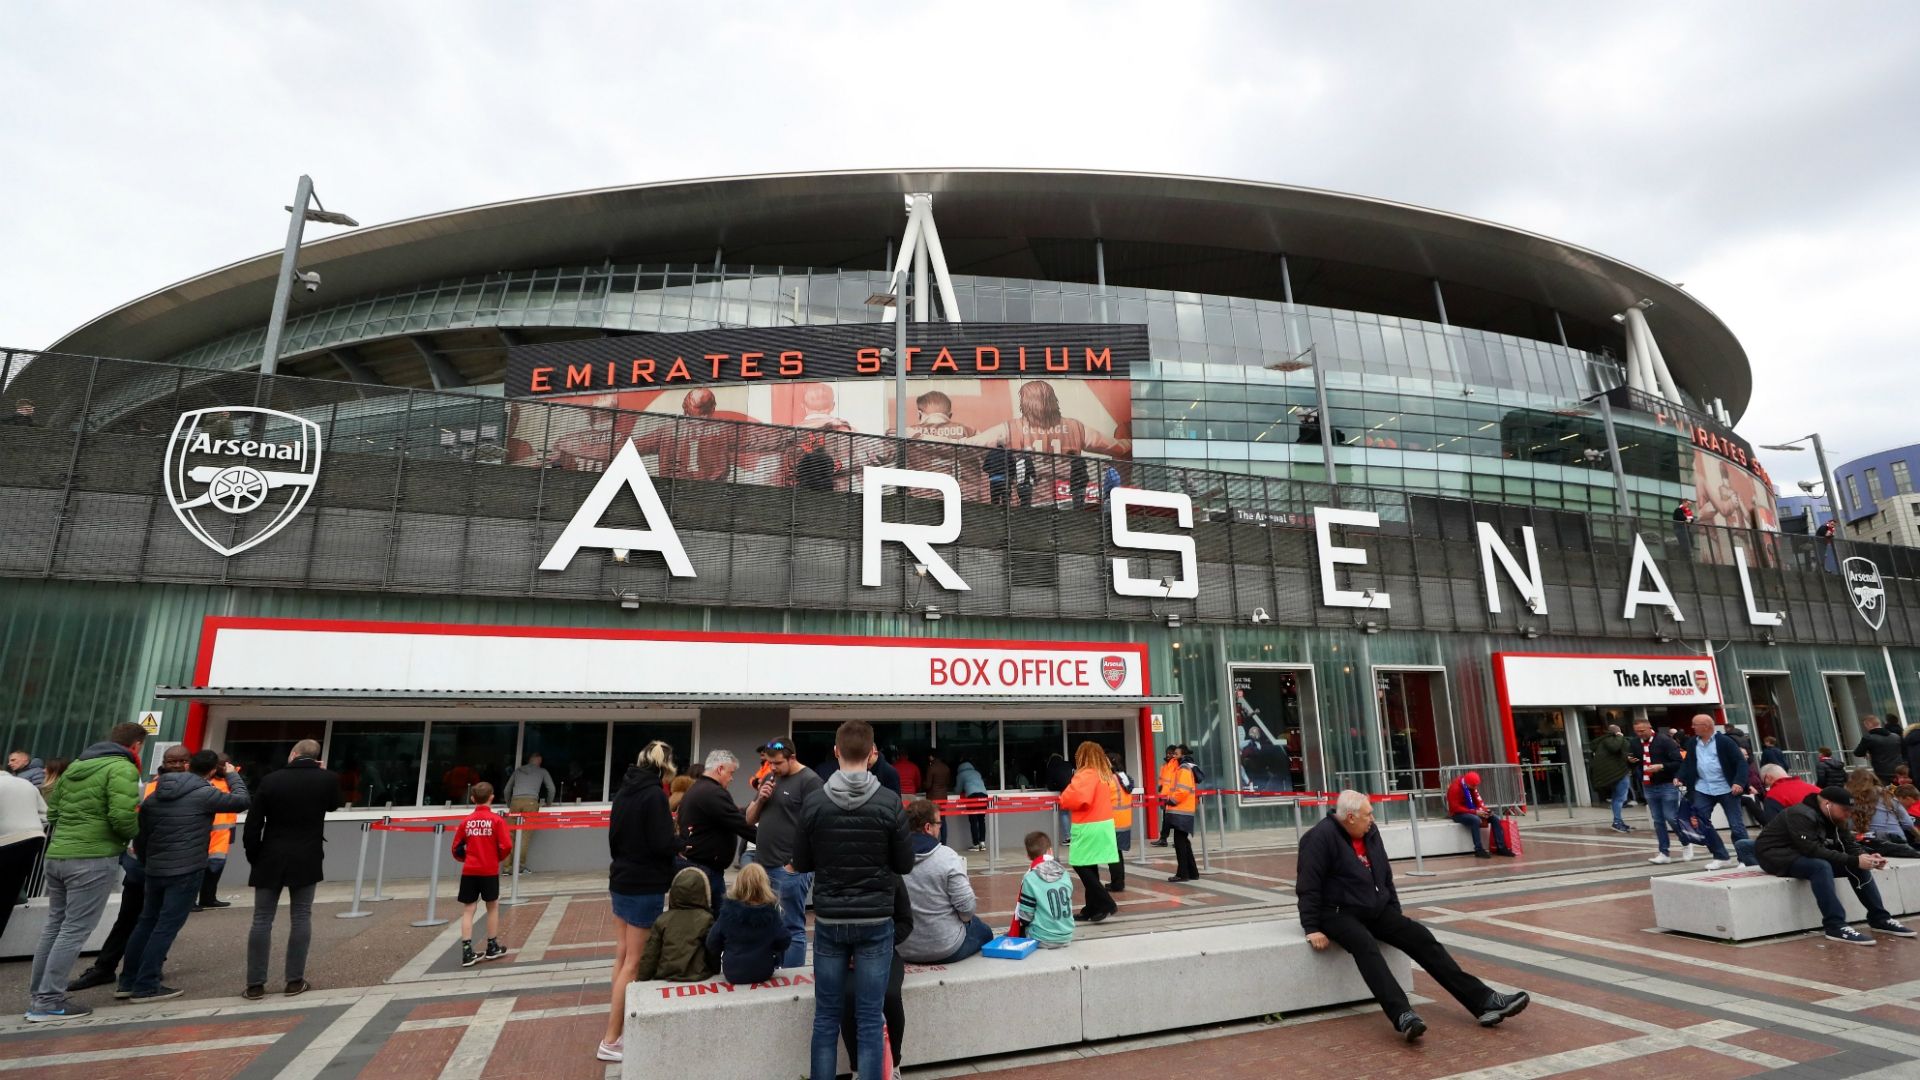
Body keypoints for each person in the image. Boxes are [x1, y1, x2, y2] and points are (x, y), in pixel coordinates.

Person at [1300, 791, 1530, 1042]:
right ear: (1351, 817)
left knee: (1420, 936)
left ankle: (1484, 1001)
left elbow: (1384, 874)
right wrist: (1312, 927)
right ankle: (1403, 1015)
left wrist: (1394, 914)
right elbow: (1308, 886)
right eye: (1368, 815)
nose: (1372, 819)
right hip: (1336, 913)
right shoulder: (1319, 838)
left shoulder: (1370, 833)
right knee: (1364, 944)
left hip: (1374, 908)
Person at [791, 719, 914, 1080]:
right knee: (870, 1018)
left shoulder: (814, 803)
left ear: (836, 752)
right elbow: (904, 864)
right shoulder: (890, 802)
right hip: (876, 920)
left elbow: (800, 862)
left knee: (826, 1018)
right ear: (872, 754)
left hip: (830, 920)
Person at [27, 721, 146, 1022]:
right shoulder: (122, 768)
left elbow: (52, 811)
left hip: (58, 855)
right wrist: (131, 836)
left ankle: (40, 993)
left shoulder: (75, 768)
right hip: (93, 857)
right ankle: (49, 1000)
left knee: (55, 925)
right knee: (74, 929)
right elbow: (122, 816)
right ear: (136, 746)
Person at [119, 749, 250, 1001]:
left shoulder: (154, 794)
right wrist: (232, 775)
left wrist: (147, 862)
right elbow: (242, 801)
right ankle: (146, 985)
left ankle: (127, 980)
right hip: (186, 869)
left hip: (155, 868)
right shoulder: (204, 793)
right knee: (165, 927)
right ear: (213, 771)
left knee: (146, 922)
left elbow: (141, 836)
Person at [243, 739, 342, 1001]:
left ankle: (255, 983)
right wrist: (321, 775)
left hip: (270, 854)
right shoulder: (327, 779)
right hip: (307, 855)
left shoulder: (271, 780)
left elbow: (253, 823)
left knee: (262, 919)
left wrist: (254, 854)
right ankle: (294, 980)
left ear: (293, 754)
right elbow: (334, 804)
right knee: (301, 916)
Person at [1753, 786, 1913, 945]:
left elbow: (1848, 844)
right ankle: (1835, 925)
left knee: (1856, 865)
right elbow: (1811, 849)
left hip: (1803, 853)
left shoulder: (1836, 816)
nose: (1848, 814)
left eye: (1850, 810)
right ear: (1828, 804)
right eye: (1845, 810)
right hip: (1775, 855)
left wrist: (1865, 857)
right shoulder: (1799, 814)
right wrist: (1854, 860)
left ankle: (1880, 918)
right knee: (1820, 866)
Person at [599, 741, 677, 1063]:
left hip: (620, 879)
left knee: (622, 957)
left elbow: (613, 838)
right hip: (644, 885)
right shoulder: (655, 794)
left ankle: (614, 1028)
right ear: (664, 765)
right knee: (634, 963)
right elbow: (661, 844)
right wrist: (681, 839)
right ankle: (611, 1039)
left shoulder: (624, 792)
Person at [744, 739, 824, 969]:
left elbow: (818, 825)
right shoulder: (770, 778)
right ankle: (774, 970)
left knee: (792, 927)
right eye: (769, 763)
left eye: (777, 763)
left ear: (792, 758)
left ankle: (792, 980)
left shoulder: (810, 781)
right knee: (769, 924)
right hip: (764, 865)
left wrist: (795, 863)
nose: (773, 768)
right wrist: (760, 799)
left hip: (789, 868)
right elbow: (749, 819)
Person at [899, 799, 993, 965]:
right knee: (984, 930)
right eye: (938, 823)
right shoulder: (946, 856)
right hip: (946, 947)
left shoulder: (893, 858)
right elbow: (967, 908)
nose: (940, 827)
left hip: (904, 947)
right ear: (928, 827)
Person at [840, 876, 913, 1075]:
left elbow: (906, 922)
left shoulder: (891, 874)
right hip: (845, 956)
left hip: (884, 951)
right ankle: (857, 1070)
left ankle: (894, 1066)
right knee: (848, 996)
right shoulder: (835, 872)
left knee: (889, 995)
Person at [677, 749, 756, 905]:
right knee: (712, 920)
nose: (732, 778)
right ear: (720, 769)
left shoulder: (698, 789)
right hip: (706, 870)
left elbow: (729, 815)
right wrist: (773, 843)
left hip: (700, 866)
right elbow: (739, 824)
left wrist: (756, 804)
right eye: (731, 772)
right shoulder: (712, 792)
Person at [453, 781, 512, 967]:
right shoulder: (496, 821)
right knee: (492, 906)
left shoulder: (466, 822)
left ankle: (466, 950)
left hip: (470, 869)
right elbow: (506, 845)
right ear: (492, 797)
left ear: (472, 798)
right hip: (489, 869)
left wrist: (466, 859)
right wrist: (497, 857)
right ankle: (492, 945)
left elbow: (456, 847)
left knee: (468, 909)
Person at [1676, 714, 1746, 870]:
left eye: (1695, 724)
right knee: (1701, 822)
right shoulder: (1693, 743)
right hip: (1703, 788)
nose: (1692, 727)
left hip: (1726, 788)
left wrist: (1738, 782)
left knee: (1736, 825)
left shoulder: (1725, 742)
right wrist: (1679, 776)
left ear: (1707, 726)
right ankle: (1720, 855)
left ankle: (1745, 858)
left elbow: (1741, 763)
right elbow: (1688, 763)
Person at [1059, 741, 1120, 922]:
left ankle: (1106, 902)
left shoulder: (1086, 773)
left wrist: (1063, 798)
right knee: (1091, 866)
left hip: (1087, 825)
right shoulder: (1104, 774)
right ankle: (1091, 909)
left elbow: (1075, 798)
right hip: (1104, 824)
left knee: (1080, 864)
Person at [706, 862, 790, 986]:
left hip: (733, 972)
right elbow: (785, 940)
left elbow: (712, 942)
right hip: (763, 971)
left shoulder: (727, 913)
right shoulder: (771, 914)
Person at [637, 866, 718, 982]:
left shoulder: (662, 919)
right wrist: (715, 970)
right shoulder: (706, 919)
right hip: (697, 975)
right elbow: (712, 950)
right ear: (703, 893)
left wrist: (643, 978)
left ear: (674, 893)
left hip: (665, 974)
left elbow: (651, 954)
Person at [0, 766, 48, 942]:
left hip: (4, 841)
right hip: (31, 840)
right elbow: (45, 815)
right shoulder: (26, 784)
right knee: (6, 899)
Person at [1010, 831, 1075, 949]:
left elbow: (1025, 917)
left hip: (1041, 938)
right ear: (1050, 851)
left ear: (1028, 856)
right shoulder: (1065, 873)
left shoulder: (1030, 878)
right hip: (1067, 935)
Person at [195, 755, 239, 910]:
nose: (223, 768)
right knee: (198, 869)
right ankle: (192, 901)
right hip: (206, 831)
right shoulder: (205, 782)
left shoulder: (230, 781)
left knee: (216, 868)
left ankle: (208, 897)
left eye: (226, 765)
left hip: (223, 832)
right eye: (220, 765)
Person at [1847, 769, 1920, 857]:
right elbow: (1907, 823)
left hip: (1868, 843)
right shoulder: (1887, 795)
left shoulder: (1848, 799)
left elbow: (1848, 825)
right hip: (1895, 840)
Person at [504, 752, 556, 872]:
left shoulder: (518, 771)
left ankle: (507, 868)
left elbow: (507, 790)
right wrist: (548, 803)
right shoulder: (542, 771)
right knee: (525, 836)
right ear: (538, 761)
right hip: (531, 802)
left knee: (509, 835)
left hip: (515, 801)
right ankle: (520, 867)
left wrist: (509, 804)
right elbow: (551, 789)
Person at [1444, 771, 1512, 858]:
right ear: (1468, 783)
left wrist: (1485, 811)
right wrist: (1475, 812)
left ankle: (1501, 848)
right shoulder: (1455, 788)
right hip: (1458, 814)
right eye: (1473, 786)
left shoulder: (1471, 786)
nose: (1475, 788)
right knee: (1475, 820)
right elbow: (1455, 808)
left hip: (1471, 810)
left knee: (1494, 818)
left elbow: (1478, 801)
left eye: (1476, 786)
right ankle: (1478, 849)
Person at [1159, 744, 1199, 881]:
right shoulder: (1183, 768)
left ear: (1182, 755)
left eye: (1176, 754)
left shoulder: (1183, 769)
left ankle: (1183, 874)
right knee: (1184, 842)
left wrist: (1171, 801)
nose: (1173, 756)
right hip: (1183, 811)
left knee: (1180, 843)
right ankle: (1193, 872)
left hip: (1181, 811)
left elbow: (1182, 790)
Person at [1588, 724, 1634, 833]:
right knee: (1620, 798)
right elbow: (1623, 752)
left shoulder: (1600, 743)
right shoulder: (1619, 740)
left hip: (1606, 776)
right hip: (1620, 773)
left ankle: (1618, 821)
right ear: (1619, 732)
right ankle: (1617, 822)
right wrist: (1620, 736)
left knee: (1616, 798)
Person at [1109, 753, 1136, 892]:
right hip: (1124, 821)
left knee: (1113, 855)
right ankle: (1119, 882)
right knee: (1117, 853)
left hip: (1113, 822)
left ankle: (1117, 884)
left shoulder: (1110, 779)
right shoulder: (1125, 778)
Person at [1854, 715, 1904, 784]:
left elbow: (1858, 753)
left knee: (1886, 792)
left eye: (1865, 725)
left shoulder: (1868, 738)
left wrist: (1867, 753)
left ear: (1868, 725)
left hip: (1882, 772)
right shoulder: (1896, 737)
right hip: (1899, 770)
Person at [955, 757, 988, 852]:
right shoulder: (977, 772)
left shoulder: (961, 774)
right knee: (982, 820)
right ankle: (982, 843)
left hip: (972, 796)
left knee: (973, 820)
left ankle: (976, 844)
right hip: (984, 796)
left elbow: (957, 790)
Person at [1152, 745, 1181, 848]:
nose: (1168, 755)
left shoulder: (1176, 764)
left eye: (1171, 753)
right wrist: (1160, 795)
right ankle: (1163, 839)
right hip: (1165, 796)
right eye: (1167, 753)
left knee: (1176, 818)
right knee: (1166, 819)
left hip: (1173, 796)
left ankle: (1178, 840)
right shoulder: (1165, 766)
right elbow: (1161, 782)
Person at [924, 751, 953, 844]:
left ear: (932, 757)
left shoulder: (931, 768)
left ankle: (933, 842)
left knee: (932, 820)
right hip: (944, 797)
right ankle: (944, 842)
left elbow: (928, 785)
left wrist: (922, 784)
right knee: (943, 820)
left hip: (933, 798)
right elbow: (948, 782)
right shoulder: (946, 768)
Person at [984, 441, 1011, 505]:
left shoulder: (991, 453)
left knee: (994, 501)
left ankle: (994, 514)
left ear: (997, 445)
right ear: (1004, 445)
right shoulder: (1007, 453)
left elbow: (984, 467)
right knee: (1005, 502)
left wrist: (991, 471)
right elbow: (1012, 466)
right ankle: (1005, 514)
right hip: (1004, 481)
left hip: (993, 481)